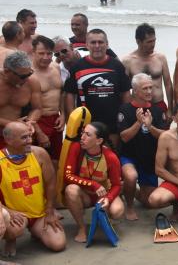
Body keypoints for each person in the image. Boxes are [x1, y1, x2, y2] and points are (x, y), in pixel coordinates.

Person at [0, 121, 65, 254]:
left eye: (30, 136)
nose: (30, 140)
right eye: (24, 137)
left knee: (58, 244)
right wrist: (7, 211)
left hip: (40, 212)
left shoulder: (39, 153)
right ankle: (10, 239)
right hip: (16, 215)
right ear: (8, 140)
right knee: (14, 230)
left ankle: (37, 232)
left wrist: (50, 210)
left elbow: (51, 183)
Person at [63, 29, 131, 148]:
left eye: (100, 42)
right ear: (87, 45)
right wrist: (71, 119)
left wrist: (126, 117)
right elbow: (69, 94)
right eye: (93, 42)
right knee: (87, 160)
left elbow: (125, 93)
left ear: (107, 44)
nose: (97, 46)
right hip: (86, 123)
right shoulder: (77, 67)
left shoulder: (117, 66)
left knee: (112, 157)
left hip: (113, 123)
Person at [62, 122, 124, 242]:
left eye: (88, 135)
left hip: (103, 194)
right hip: (84, 194)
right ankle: (81, 228)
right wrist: (93, 184)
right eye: (83, 133)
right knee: (70, 190)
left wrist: (109, 198)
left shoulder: (110, 157)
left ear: (99, 141)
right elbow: (67, 176)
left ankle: (104, 219)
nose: (82, 137)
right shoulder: (76, 148)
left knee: (117, 211)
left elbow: (116, 185)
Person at [118, 73, 168, 221]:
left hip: (148, 159)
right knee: (131, 176)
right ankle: (130, 206)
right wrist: (138, 123)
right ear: (134, 91)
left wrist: (150, 126)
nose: (149, 92)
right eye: (145, 88)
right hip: (129, 157)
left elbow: (164, 136)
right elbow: (124, 137)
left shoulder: (157, 110)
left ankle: (127, 190)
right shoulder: (125, 110)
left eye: (150, 88)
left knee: (151, 203)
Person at [122, 23, 173, 118]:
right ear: (138, 41)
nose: (153, 44)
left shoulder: (160, 58)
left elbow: (168, 84)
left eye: (154, 40)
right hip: (138, 107)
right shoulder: (128, 61)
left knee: (162, 133)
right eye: (149, 42)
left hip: (159, 104)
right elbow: (124, 89)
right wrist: (128, 109)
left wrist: (170, 108)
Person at [28, 36, 63, 161]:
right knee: (38, 160)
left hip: (56, 121)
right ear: (33, 52)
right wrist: (39, 132)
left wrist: (63, 114)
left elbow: (61, 93)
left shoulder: (56, 67)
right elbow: (27, 108)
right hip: (38, 121)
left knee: (57, 159)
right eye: (41, 53)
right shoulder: (29, 74)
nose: (46, 57)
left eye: (49, 53)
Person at [0, 52, 43, 152]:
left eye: (29, 73)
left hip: (17, 138)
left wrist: (29, 122)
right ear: (7, 71)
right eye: (23, 76)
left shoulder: (31, 82)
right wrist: (13, 124)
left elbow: (37, 108)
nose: (27, 78)